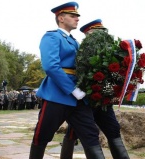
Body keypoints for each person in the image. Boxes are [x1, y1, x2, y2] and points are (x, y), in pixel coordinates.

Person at [29, 2, 105, 159]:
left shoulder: (75, 42)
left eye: (77, 16)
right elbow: (51, 67)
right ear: (61, 18)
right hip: (57, 95)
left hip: (79, 98)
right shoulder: (52, 37)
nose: (77, 19)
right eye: (73, 16)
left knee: (91, 135)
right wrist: (72, 89)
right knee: (42, 136)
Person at [60, 19, 130, 159]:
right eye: (97, 33)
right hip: (85, 100)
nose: (102, 36)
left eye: (103, 32)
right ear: (89, 34)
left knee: (113, 129)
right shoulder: (81, 52)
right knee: (77, 133)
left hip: (103, 101)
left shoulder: (113, 53)